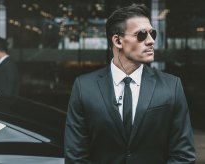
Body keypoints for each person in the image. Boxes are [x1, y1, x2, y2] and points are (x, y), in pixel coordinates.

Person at [64, 4, 196, 163]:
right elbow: (76, 157)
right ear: (118, 40)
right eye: (141, 35)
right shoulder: (84, 87)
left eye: (152, 33)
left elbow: (183, 156)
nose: (151, 41)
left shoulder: (171, 86)